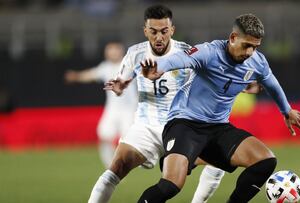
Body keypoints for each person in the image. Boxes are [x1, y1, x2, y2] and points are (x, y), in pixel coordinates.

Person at [137, 13, 300, 203]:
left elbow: (272, 85)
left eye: (255, 46)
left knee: (265, 161)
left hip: (218, 128)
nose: (251, 52)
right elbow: (177, 60)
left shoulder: (257, 62)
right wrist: (156, 68)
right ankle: (187, 154)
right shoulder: (209, 52)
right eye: (247, 45)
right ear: (233, 38)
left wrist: (287, 111)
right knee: (170, 185)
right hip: (185, 124)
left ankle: (192, 156)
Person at [88, 5, 235, 203]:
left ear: (172, 30)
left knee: (219, 161)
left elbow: (208, 79)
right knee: (115, 169)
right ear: (145, 30)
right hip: (146, 127)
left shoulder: (186, 53)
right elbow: (122, 81)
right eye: (154, 31)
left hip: (182, 127)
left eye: (164, 31)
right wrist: (120, 87)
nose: (159, 37)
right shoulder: (135, 53)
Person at [64, 42, 138, 168]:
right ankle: (111, 167)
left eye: (115, 50)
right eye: (110, 50)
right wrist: (76, 76)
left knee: (128, 140)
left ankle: (130, 163)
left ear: (121, 51)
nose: (112, 53)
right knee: (104, 135)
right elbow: (91, 75)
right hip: (112, 109)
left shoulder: (130, 65)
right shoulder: (105, 67)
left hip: (129, 109)